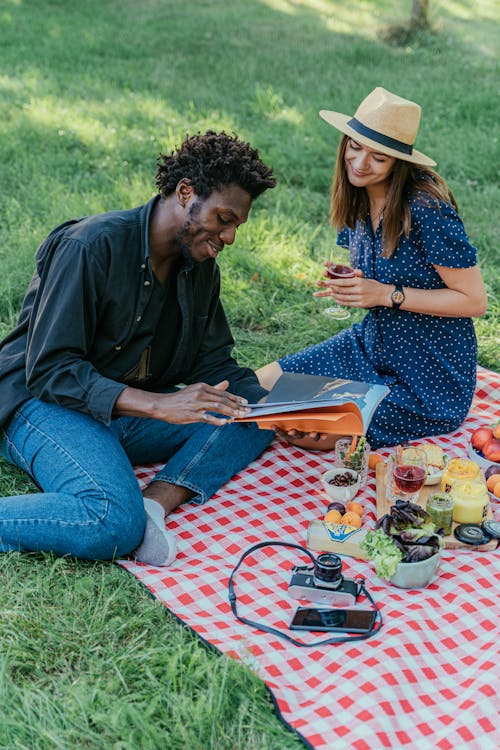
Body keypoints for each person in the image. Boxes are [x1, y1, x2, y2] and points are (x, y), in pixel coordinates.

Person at [0, 130, 276, 566]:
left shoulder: (199, 267)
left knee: (247, 413)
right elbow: (51, 369)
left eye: (236, 225)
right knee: (112, 522)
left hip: (127, 415)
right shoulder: (90, 246)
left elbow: (215, 363)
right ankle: (130, 514)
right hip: (43, 405)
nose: (229, 237)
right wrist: (156, 406)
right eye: (224, 219)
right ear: (186, 192)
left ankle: (153, 506)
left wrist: (281, 410)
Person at [257, 87, 487, 450]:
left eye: (378, 157)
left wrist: (386, 294)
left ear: (399, 164)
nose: (361, 163)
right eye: (355, 147)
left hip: (428, 376)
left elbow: (474, 301)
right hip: (371, 346)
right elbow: (379, 277)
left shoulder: (426, 210)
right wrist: (356, 286)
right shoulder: (358, 198)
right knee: (258, 386)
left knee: (306, 433)